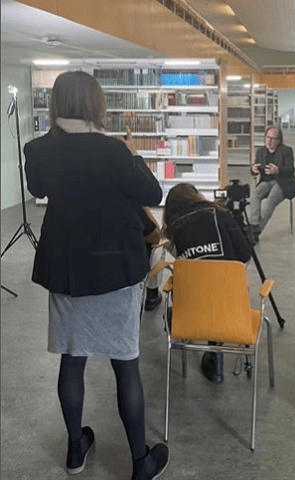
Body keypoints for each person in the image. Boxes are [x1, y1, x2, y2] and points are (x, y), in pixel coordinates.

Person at [23, 71, 169, 480]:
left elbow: (38, 188)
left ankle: (75, 450)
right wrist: (132, 154)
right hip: (115, 267)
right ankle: (141, 461)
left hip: (67, 269)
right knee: (126, 365)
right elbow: (152, 194)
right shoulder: (112, 152)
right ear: (95, 104)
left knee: (73, 360)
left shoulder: (38, 149)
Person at [162, 183, 252, 383]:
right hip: (231, 302)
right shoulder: (220, 213)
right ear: (196, 196)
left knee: (190, 282)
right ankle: (216, 354)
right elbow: (245, 254)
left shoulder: (173, 228)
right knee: (218, 280)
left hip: (191, 307)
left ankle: (199, 344)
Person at [247, 126, 295, 243]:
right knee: (255, 195)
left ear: (279, 140)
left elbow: (291, 170)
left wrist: (278, 170)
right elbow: (254, 168)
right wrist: (253, 169)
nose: (269, 141)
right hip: (266, 181)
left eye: (273, 139)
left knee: (270, 200)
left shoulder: (286, 150)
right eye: (268, 138)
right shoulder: (261, 151)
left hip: (283, 182)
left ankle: (254, 233)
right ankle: (253, 225)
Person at [137, 206, 163, 312]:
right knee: (159, 247)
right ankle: (152, 294)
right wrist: (146, 210)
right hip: (134, 266)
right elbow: (156, 237)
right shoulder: (134, 209)